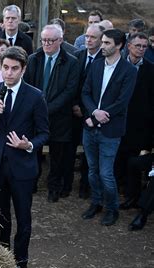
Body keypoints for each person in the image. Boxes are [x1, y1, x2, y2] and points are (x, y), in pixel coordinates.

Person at [0, 46, 49, 268]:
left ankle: (21, 263)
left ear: (23, 69)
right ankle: (3, 261)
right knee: (1, 217)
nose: (8, 73)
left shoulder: (35, 96)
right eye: (5, 68)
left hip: (23, 169)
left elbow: (44, 133)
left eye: (14, 69)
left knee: (23, 218)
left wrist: (28, 145)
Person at [80, 29, 137, 226]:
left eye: (106, 43)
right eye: (102, 42)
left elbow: (122, 102)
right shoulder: (95, 66)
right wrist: (94, 112)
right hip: (90, 128)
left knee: (106, 173)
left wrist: (96, 118)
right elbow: (85, 92)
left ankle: (112, 208)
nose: (101, 46)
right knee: (92, 171)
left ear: (119, 45)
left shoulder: (129, 71)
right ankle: (96, 202)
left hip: (110, 131)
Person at [23, 24, 79, 202]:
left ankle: (54, 187)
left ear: (60, 41)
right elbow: (27, 85)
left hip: (60, 117)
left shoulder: (72, 62)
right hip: (35, 116)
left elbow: (70, 92)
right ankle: (31, 183)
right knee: (34, 152)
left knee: (57, 156)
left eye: (50, 41)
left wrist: (47, 109)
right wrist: (36, 109)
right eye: (43, 40)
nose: (46, 44)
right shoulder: (34, 59)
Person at [117, 33, 154, 210]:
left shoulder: (151, 69)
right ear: (128, 46)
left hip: (140, 125)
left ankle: (133, 196)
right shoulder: (119, 66)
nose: (141, 49)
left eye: (144, 46)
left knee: (134, 161)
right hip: (118, 121)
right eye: (138, 45)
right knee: (119, 159)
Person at [68, 24, 105, 199]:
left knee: (89, 153)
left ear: (101, 40)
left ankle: (85, 185)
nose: (88, 40)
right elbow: (72, 84)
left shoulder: (104, 61)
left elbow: (98, 91)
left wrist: (86, 110)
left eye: (93, 37)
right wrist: (75, 105)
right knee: (70, 148)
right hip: (73, 112)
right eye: (87, 36)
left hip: (92, 114)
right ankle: (66, 184)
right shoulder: (78, 55)